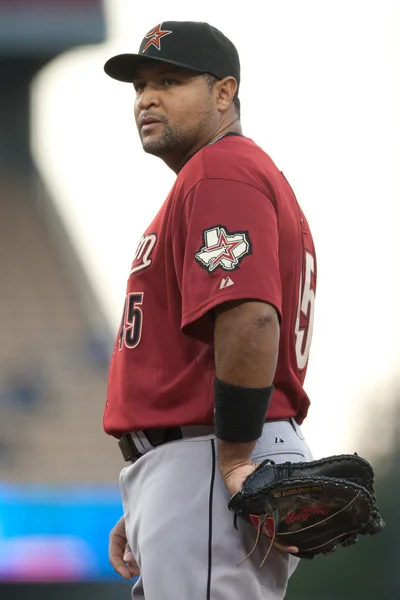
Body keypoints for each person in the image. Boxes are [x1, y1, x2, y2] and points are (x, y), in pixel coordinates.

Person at [103, 20, 316, 600]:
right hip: (199, 462)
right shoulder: (231, 174)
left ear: (224, 93)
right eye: (140, 86)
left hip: (215, 453)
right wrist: (156, 496)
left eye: (169, 81)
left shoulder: (221, 169)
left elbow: (250, 316)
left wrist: (230, 465)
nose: (147, 98)